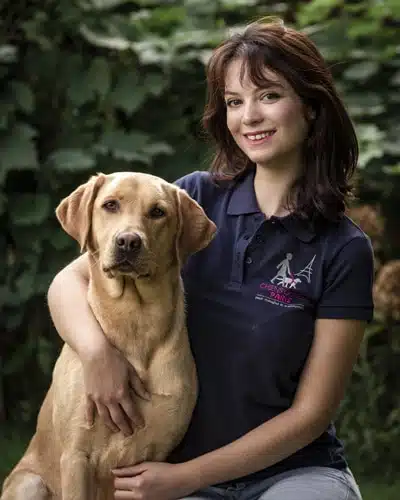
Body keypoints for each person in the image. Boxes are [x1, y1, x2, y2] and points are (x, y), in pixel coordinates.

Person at [47, 17, 374, 500]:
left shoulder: (343, 248)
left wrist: (187, 478)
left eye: (268, 96)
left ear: (311, 107)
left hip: (290, 472)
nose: (249, 117)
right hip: (168, 467)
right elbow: (67, 283)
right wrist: (97, 355)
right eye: (234, 102)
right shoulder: (190, 201)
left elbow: (312, 414)